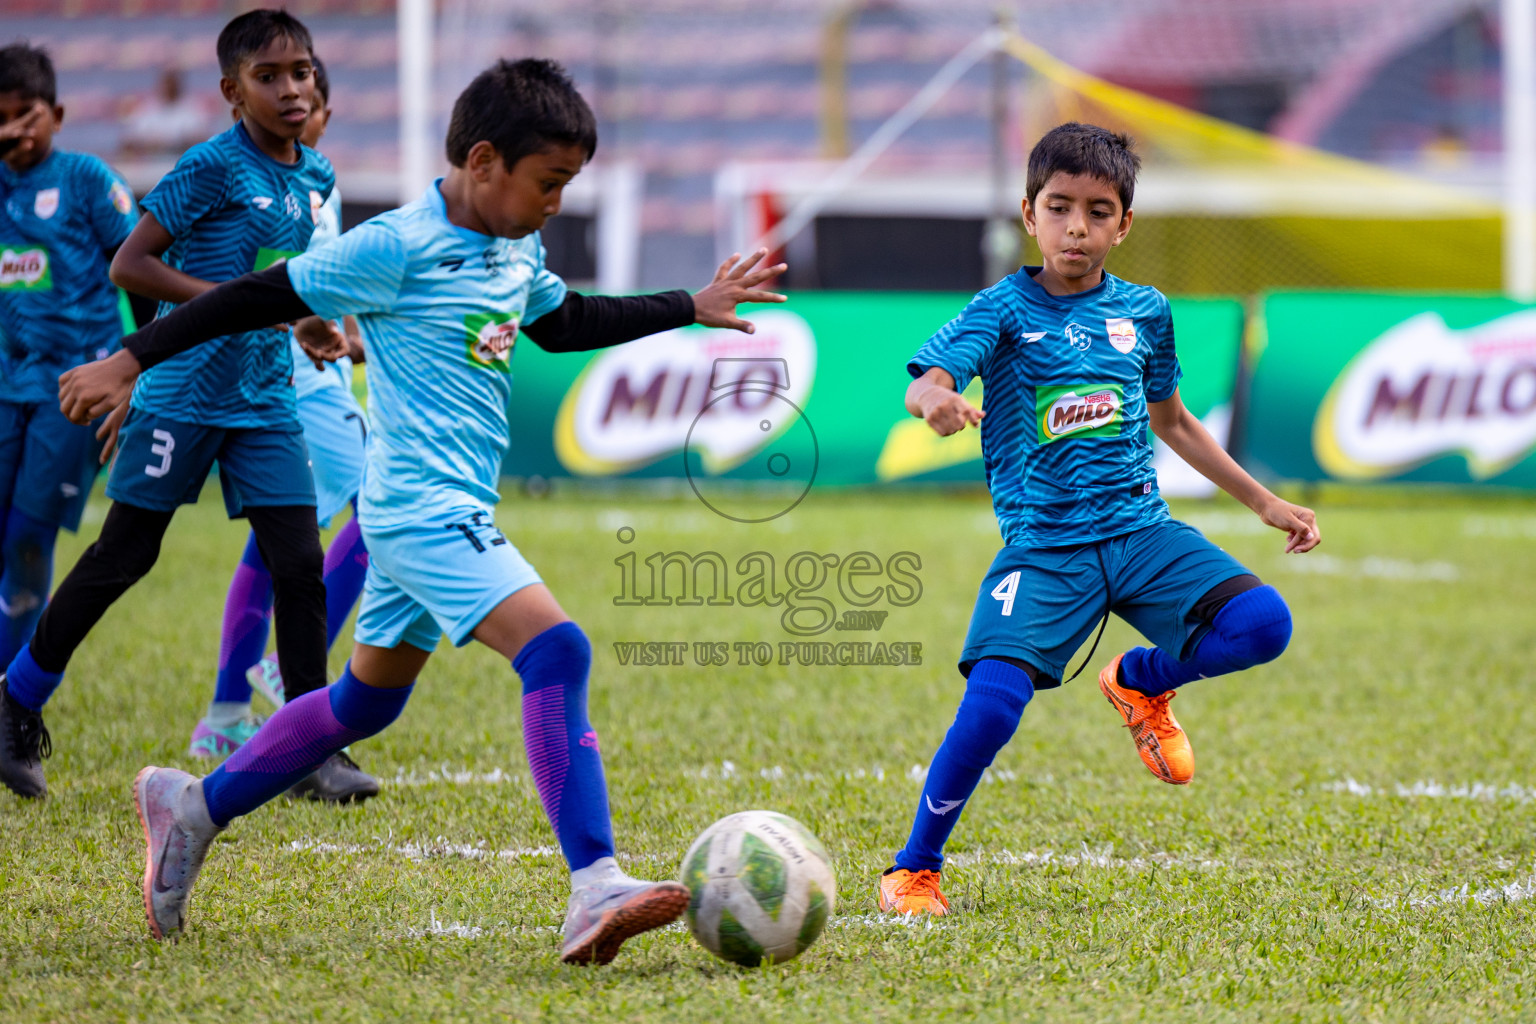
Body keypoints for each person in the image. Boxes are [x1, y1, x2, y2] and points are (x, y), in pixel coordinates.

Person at [59, 58, 786, 963]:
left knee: (364, 703)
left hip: (446, 506)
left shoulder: (517, 248)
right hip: (416, 508)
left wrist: (691, 304)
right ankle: (595, 883)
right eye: (549, 182)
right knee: (558, 647)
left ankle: (192, 807)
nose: (558, 201)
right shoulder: (395, 245)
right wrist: (130, 360)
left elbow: (564, 323)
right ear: (484, 161)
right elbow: (257, 295)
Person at [876, 122, 1320, 917]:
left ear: (1124, 223)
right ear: (1028, 213)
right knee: (993, 704)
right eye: (1059, 207)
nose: (1076, 226)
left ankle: (1142, 682)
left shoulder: (1146, 311)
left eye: (1097, 210)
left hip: (1144, 533)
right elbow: (928, 377)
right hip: (1046, 550)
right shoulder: (1003, 308)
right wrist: (935, 399)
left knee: (1263, 625)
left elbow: (1175, 423)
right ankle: (914, 869)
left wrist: (1265, 502)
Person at [0, 10, 373, 801]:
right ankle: (14, 701)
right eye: (268, 77)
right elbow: (131, 267)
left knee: (301, 564)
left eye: (301, 71)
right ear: (232, 93)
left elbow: (293, 280)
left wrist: (325, 325)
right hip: (183, 390)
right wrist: (244, 306)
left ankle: (309, 749)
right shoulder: (211, 166)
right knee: (124, 556)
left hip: (266, 395)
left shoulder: (317, 174)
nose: (292, 89)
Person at [194, 56, 375, 803]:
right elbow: (289, 289)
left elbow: (319, 285)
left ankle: (226, 713)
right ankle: (284, 667)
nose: (309, 116)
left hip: (287, 373)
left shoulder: (311, 185)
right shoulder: (292, 185)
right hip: (300, 380)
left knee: (274, 539)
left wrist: (347, 330)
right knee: (385, 502)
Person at [0, 43, 139, 786]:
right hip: (2, 381)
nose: (14, 132)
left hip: (72, 389)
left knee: (27, 541)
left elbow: (140, 267)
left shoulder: (86, 180)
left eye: (26, 116)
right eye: (0, 120)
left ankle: (8, 710)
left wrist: (137, 370)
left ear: (56, 112)